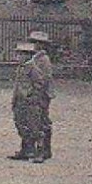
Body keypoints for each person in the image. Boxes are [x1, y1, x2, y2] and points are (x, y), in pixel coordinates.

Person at [9, 41, 44, 161]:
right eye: (17, 54)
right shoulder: (20, 68)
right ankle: (26, 150)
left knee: (34, 127)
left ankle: (40, 152)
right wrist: (14, 100)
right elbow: (17, 85)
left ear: (27, 55)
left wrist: (32, 97)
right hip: (20, 101)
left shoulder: (33, 68)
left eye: (20, 54)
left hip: (30, 103)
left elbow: (39, 84)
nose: (17, 57)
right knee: (21, 124)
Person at [27, 31, 55, 161]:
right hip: (33, 93)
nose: (33, 45)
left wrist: (41, 93)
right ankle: (30, 148)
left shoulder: (43, 60)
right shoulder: (34, 58)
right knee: (31, 120)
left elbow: (45, 79)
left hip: (41, 94)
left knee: (41, 121)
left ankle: (44, 150)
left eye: (34, 42)